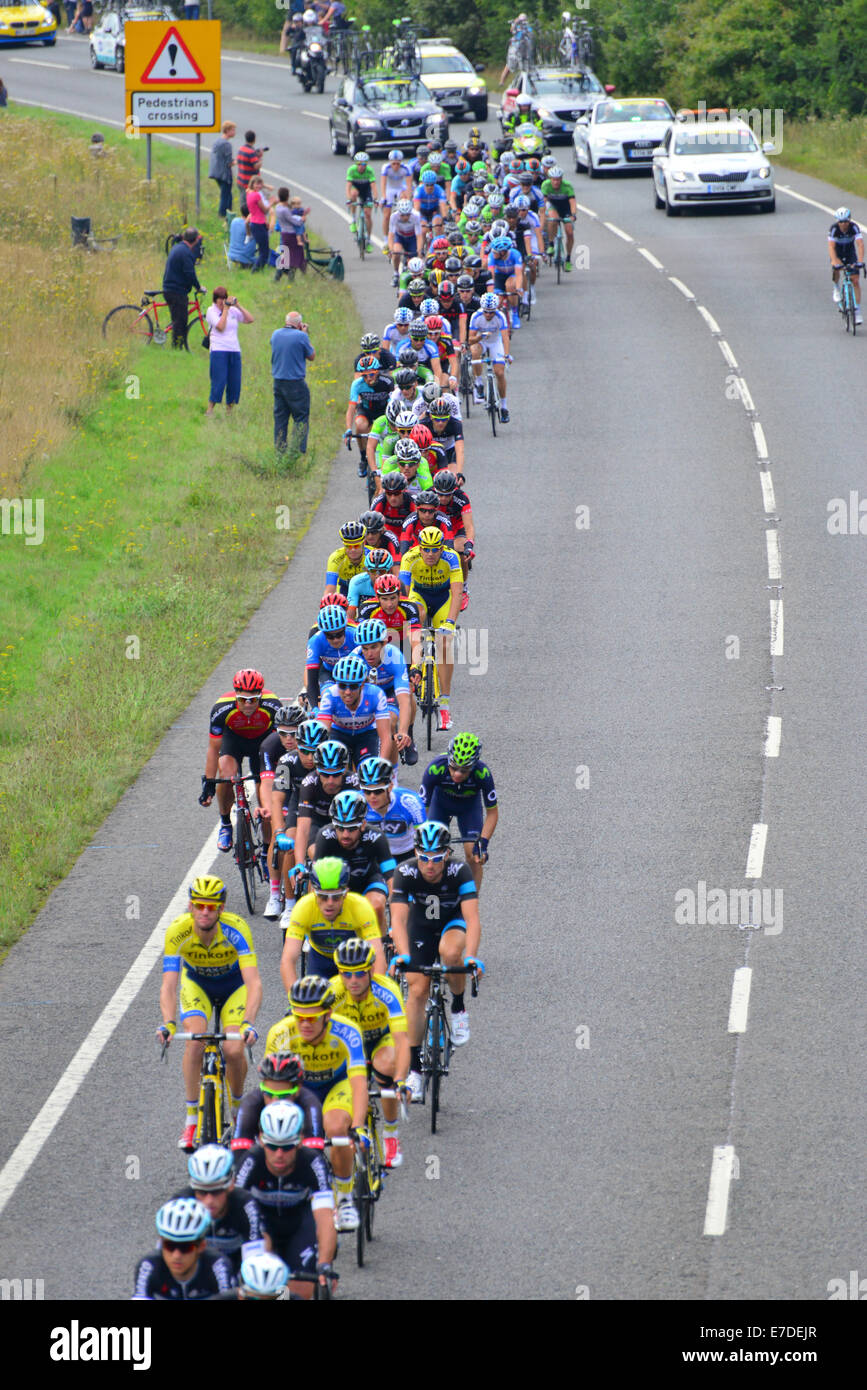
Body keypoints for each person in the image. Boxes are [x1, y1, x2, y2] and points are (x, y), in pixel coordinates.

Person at [156, 875, 263, 1151]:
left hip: (233, 987)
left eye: (211, 906)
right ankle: (192, 1119)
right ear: (191, 907)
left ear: (221, 909)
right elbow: (169, 985)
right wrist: (168, 1023)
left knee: (234, 1049)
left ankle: (239, 1111)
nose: (205, 911)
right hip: (198, 985)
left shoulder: (237, 930)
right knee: (194, 1041)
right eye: (200, 905)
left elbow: (254, 983)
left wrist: (249, 1023)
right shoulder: (177, 932)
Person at [133, 1199, 234, 1300]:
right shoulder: (148, 1266)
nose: (176, 1255)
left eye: (185, 1247)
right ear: (161, 1244)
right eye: (169, 1246)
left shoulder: (217, 1265)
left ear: (201, 1246)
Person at [205, 288, 254, 417]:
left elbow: (250, 319)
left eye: (224, 298)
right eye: (219, 299)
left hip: (234, 349)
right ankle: (210, 409)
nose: (222, 301)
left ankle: (229, 411)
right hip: (218, 350)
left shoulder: (233, 311)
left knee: (234, 381)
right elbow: (220, 327)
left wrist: (238, 305)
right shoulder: (211, 311)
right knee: (219, 381)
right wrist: (225, 310)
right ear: (215, 299)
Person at [271, 311, 315, 456]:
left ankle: (280, 450)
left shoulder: (275, 334)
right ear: (299, 324)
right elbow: (311, 356)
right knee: (300, 417)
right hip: (295, 382)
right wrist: (305, 334)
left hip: (278, 381)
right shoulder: (301, 336)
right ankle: (298, 450)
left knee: (280, 418)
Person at [162, 226, 203, 350]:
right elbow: (190, 274)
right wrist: (198, 287)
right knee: (180, 321)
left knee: (178, 319)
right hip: (176, 291)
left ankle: (177, 345)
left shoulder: (177, 247)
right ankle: (176, 348)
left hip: (170, 288)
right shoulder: (186, 253)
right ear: (195, 240)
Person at [829, 207, 864, 323]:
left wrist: (859, 261)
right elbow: (831, 247)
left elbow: (860, 245)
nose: (843, 224)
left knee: (855, 280)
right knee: (836, 269)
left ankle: (857, 311)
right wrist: (834, 261)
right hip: (838, 253)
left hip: (850, 253)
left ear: (849, 220)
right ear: (837, 221)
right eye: (840, 221)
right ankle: (836, 288)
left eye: (845, 221)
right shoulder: (834, 229)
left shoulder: (854, 227)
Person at [274, 190, 309, 281]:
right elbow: (295, 222)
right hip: (291, 235)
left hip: (284, 234)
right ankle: (291, 276)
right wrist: (303, 219)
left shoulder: (277, 207)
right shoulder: (285, 210)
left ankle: (278, 276)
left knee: (286, 255)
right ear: (287, 197)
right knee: (296, 255)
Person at [245, 174, 273, 272]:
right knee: (264, 252)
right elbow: (265, 210)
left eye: (261, 184)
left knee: (263, 249)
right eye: (257, 184)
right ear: (252, 184)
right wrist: (272, 203)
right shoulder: (256, 195)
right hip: (258, 224)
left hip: (255, 223)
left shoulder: (249, 194)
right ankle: (255, 270)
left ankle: (259, 270)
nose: (259, 186)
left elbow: (258, 211)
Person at [209, 121, 236, 219]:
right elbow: (229, 162)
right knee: (226, 196)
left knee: (227, 194)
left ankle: (227, 216)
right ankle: (223, 215)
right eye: (233, 130)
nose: (234, 132)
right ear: (228, 130)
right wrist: (237, 161)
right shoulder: (226, 144)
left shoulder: (217, 142)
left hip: (216, 172)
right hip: (224, 174)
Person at [236, 130, 264, 215]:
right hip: (249, 182)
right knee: (248, 204)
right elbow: (256, 165)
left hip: (241, 179)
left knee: (242, 200)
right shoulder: (251, 152)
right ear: (254, 139)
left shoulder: (241, 149)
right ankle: (247, 218)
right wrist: (260, 157)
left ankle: (244, 216)